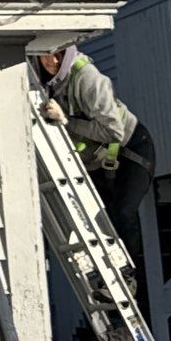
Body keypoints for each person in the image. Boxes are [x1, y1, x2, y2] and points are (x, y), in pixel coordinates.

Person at [35, 46, 157, 237]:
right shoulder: (47, 86)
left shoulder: (86, 77)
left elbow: (113, 131)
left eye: (57, 55)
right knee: (97, 222)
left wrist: (66, 121)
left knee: (123, 214)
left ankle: (133, 267)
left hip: (130, 148)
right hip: (97, 160)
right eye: (45, 56)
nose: (52, 61)